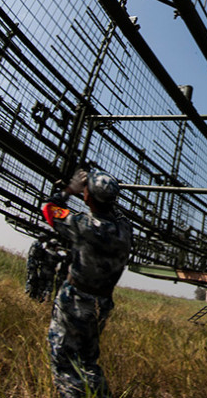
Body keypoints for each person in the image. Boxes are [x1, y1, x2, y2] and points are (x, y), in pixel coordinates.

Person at [41, 167, 132, 398]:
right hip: (101, 303)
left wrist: (68, 190)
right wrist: (101, 193)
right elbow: (112, 213)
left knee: (64, 360)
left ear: (88, 197)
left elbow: (48, 209)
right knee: (87, 360)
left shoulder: (84, 225)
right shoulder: (125, 230)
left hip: (76, 301)